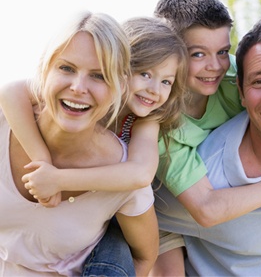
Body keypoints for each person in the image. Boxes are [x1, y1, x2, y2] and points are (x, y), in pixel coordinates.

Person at [150, 0, 261, 276]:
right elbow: (204, 209)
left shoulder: (232, 76)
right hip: (184, 200)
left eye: (222, 51)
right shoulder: (162, 125)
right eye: (198, 54)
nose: (214, 66)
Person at [0, 16, 188, 276]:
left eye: (166, 81)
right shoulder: (54, 97)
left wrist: (58, 179)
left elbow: (140, 175)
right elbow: (10, 91)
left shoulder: (145, 121)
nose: (154, 90)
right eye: (145, 74)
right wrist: (42, 160)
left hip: (118, 218)